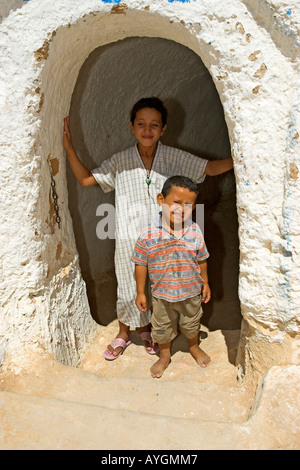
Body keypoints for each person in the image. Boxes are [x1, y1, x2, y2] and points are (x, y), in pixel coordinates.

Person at [63, 97, 232, 360]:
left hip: (166, 237)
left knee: (160, 286)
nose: (147, 130)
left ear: (163, 129)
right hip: (130, 236)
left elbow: (208, 168)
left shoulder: (175, 156)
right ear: (131, 126)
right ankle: (123, 332)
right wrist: (68, 148)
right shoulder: (120, 161)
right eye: (141, 124)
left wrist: (240, 159)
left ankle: (150, 330)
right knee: (128, 285)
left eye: (154, 125)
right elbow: (86, 179)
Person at [132, 176, 211, 378]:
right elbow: (140, 263)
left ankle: (193, 345)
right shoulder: (148, 234)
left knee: (191, 323)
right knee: (161, 328)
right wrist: (141, 291)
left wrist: (206, 283)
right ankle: (165, 356)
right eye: (176, 202)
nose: (181, 209)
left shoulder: (194, 231)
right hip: (161, 296)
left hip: (191, 292)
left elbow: (202, 259)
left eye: (188, 205)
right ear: (161, 200)